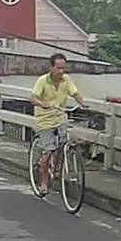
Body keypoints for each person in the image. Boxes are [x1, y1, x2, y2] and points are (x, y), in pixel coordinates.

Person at [29, 53, 87, 195]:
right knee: (49, 150)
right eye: (58, 68)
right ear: (51, 67)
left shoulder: (66, 80)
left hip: (60, 117)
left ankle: (59, 167)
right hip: (45, 119)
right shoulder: (42, 81)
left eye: (63, 68)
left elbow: (75, 93)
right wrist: (42, 104)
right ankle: (43, 181)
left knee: (66, 142)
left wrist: (82, 102)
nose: (61, 71)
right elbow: (33, 98)